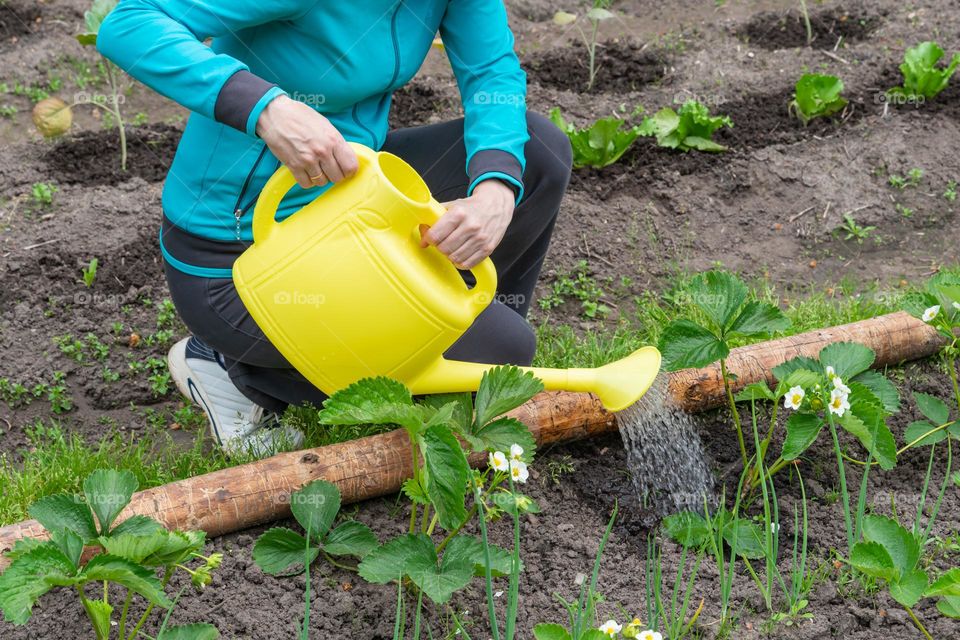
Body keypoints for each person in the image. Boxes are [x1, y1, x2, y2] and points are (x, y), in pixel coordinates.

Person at [96, 0, 573, 455]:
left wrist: (494, 189)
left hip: (349, 199)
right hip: (240, 255)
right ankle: (235, 371)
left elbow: (492, 71)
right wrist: (266, 108)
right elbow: (130, 22)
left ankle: (455, 323)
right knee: (504, 350)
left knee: (537, 153)